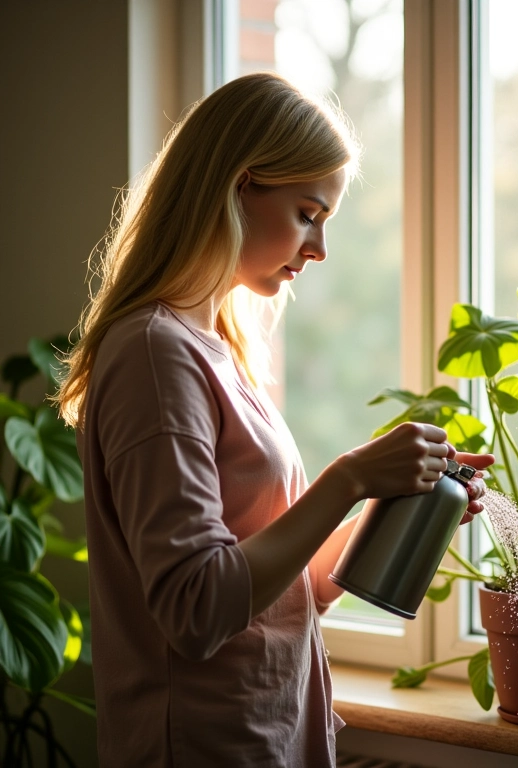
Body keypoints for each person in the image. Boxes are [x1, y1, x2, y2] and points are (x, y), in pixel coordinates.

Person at [57, 72, 494, 768]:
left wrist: (391, 507)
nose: (318, 248)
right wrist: (347, 478)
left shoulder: (218, 351)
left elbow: (281, 595)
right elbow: (197, 612)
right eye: (307, 212)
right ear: (239, 186)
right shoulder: (153, 353)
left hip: (269, 736)